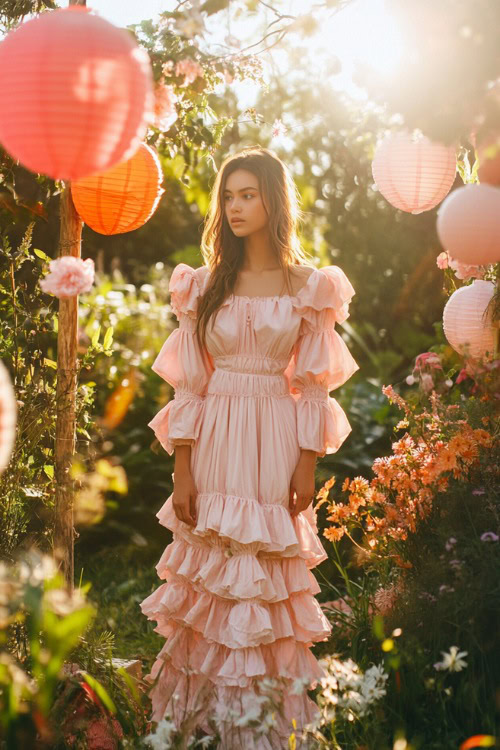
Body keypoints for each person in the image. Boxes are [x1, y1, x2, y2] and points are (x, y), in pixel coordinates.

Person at [140, 146, 360, 748]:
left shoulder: (309, 287)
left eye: (247, 195)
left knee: (262, 566)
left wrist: (307, 462)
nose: (235, 207)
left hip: (274, 435)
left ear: (273, 200)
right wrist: (182, 468)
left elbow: (313, 382)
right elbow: (189, 382)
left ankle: (262, 726)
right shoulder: (204, 285)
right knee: (210, 570)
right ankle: (199, 718)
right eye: (228, 196)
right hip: (214, 435)